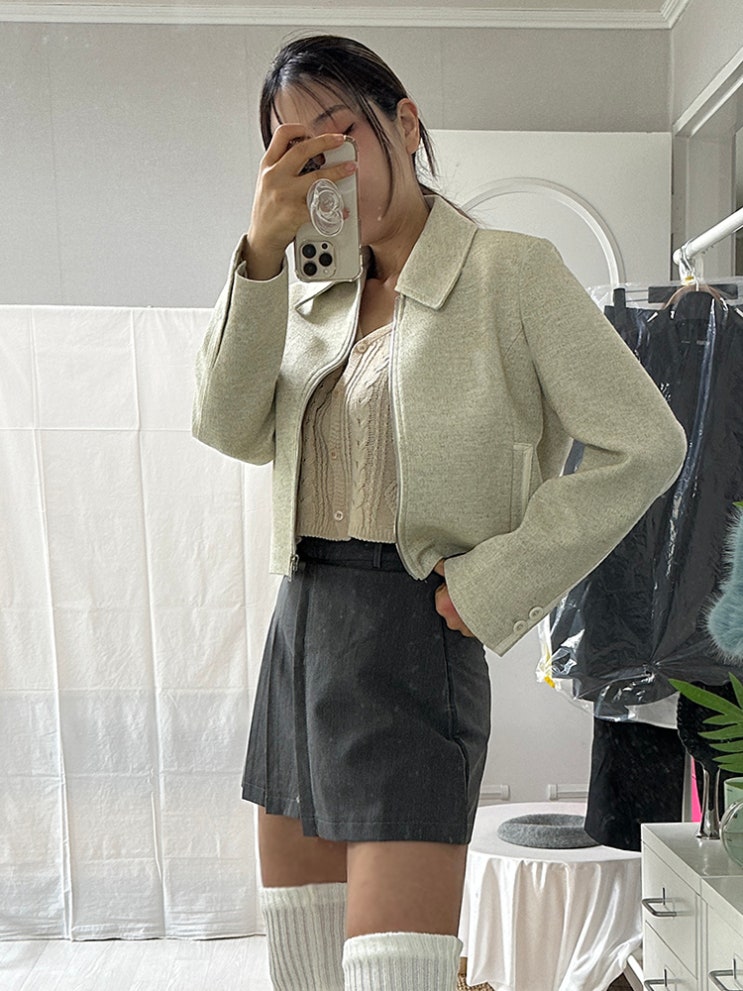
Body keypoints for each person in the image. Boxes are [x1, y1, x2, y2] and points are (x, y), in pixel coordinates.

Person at [192, 33, 688, 991]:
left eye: (339, 130)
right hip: (301, 634)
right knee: (302, 969)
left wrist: (496, 580)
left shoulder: (511, 272)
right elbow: (226, 424)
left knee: (394, 974)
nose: (323, 161)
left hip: (415, 636)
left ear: (404, 123)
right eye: (294, 148)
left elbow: (646, 444)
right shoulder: (308, 291)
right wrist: (259, 255)